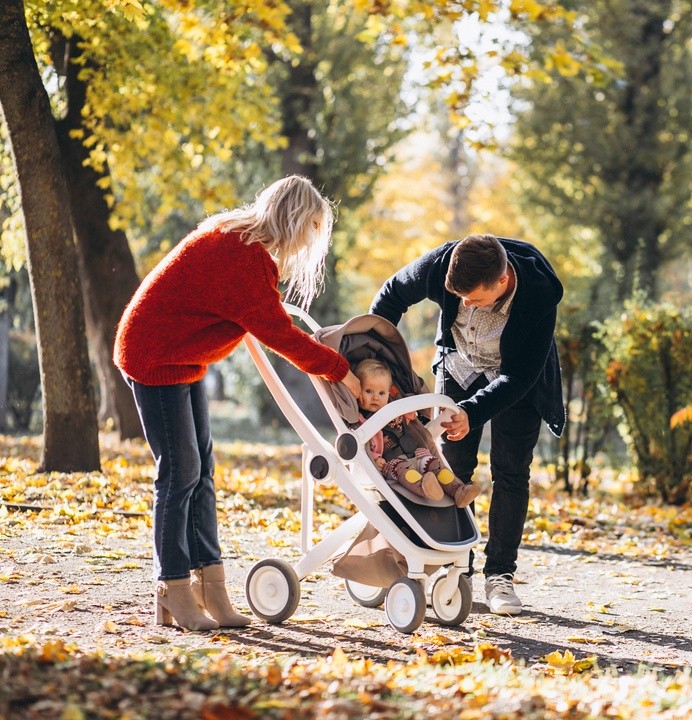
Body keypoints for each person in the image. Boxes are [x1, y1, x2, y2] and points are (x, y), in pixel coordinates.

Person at [113, 175, 361, 631]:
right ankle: (171, 587)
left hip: (181, 359)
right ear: (295, 221)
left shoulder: (241, 244)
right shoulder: (241, 257)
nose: (309, 243)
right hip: (154, 356)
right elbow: (282, 337)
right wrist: (342, 370)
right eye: (310, 230)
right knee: (180, 472)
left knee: (202, 472)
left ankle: (211, 588)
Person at [370, 234, 564, 615]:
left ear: (503, 281)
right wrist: (375, 358)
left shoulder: (539, 292)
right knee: (450, 469)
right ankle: (457, 570)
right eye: (459, 298)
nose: (465, 306)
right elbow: (391, 295)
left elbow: (520, 376)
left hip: (514, 379)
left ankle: (499, 575)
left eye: (474, 299)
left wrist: (472, 413)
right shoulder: (444, 263)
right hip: (459, 367)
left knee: (510, 472)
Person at [354, 359, 481, 508]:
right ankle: (425, 487)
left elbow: (413, 423)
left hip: (416, 453)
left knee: (434, 464)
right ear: (358, 390)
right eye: (369, 391)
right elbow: (363, 447)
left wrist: (410, 412)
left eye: (381, 393)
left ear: (389, 393)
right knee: (403, 469)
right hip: (392, 463)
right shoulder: (361, 422)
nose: (375, 397)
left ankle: (458, 490)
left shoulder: (398, 411)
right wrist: (375, 459)